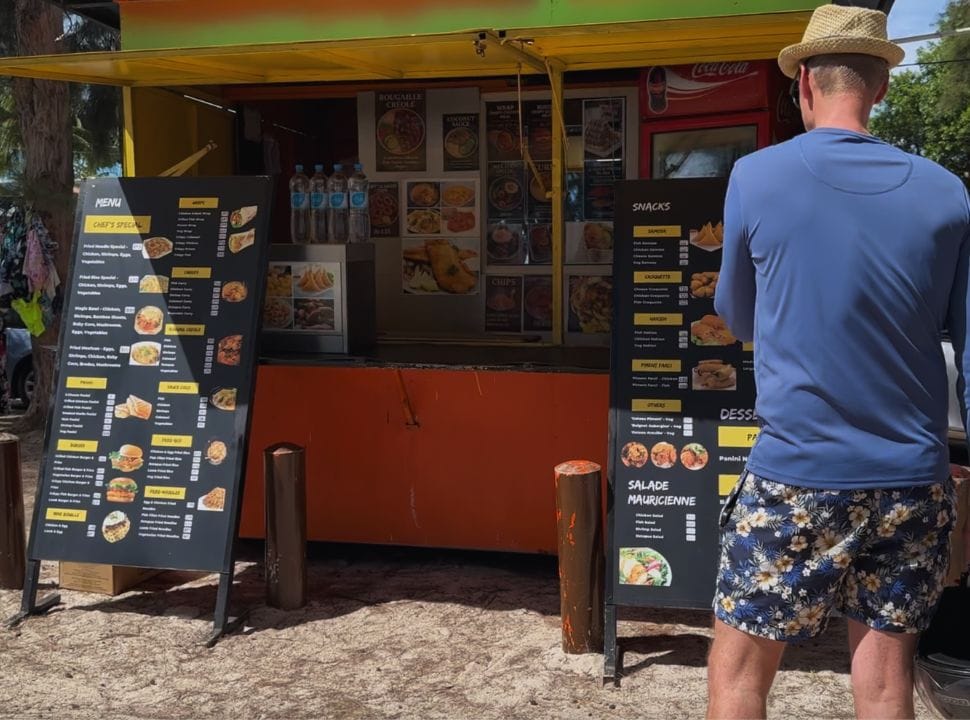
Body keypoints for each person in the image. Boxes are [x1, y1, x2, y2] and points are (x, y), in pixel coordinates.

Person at [706, 5, 970, 719]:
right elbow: (964, 342)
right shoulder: (948, 192)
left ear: (805, 87)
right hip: (912, 480)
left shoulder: (756, 177)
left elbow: (736, 316)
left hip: (798, 472)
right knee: (885, 686)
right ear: (881, 88)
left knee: (738, 679)